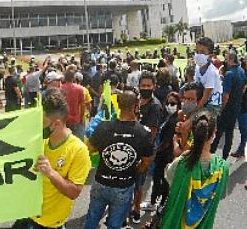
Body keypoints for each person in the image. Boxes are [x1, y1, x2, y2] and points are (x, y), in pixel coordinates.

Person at [83, 90, 154, 229]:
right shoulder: (143, 133)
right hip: (124, 185)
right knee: (114, 225)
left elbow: (89, 149)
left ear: (119, 105)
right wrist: (135, 169)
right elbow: (147, 161)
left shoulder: (103, 126)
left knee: (92, 219)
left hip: (101, 182)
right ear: (136, 105)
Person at [28, 88, 91, 229]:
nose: (38, 126)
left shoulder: (78, 150)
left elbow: (74, 192)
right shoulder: (40, 142)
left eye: (42, 123)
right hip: (30, 215)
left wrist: (50, 173)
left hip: (52, 223)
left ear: (56, 124)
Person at [160, 112, 229, 229]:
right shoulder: (223, 168)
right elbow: (221, 195)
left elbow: (170, 179)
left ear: (193, 133)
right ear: (213, 134)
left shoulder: (182, 163)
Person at [131, 70, 162, 223]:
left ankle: (136, 209)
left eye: (148, 85)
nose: (145, 88)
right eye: (143, 85)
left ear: (154, 87)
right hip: (132, 146)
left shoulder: (155, 106)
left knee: (139, 182)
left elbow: (152, 134)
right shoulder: (136, 100)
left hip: (143, 151)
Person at [211, 51, 246, 159]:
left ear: (231, 60)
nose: (225, 61)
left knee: (218, 133)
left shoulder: (229, 74)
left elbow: (225, 95)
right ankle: (225, 157)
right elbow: (244, 87)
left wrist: (221, 108)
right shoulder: (241, 71)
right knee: (229, 133)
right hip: (236, 106)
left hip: (227, 108)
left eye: (227, 59)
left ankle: (211, 155)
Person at [194, 37, 223, 114]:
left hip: (212, 104)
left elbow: (206, 95)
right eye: (197, 51)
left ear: (210, 56)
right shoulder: (197, 68)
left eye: (202, 52)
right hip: (203, 101)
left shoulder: (211, 72)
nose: (198, 55)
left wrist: (194, 110)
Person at [61, 66, 86, 139]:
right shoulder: (79, 89)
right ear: (73, 78)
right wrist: (81, 117)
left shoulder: (60, 88)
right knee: (78, 142)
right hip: (75, 119)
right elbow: (82, 105)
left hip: (64, 119)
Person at [231, 57, 247, 158]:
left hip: (243, 105)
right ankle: (241, 150)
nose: (245, 59)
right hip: (241, 104)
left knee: (244, 128)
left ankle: (241, 150)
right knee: (243, 128)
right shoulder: (242, 70)